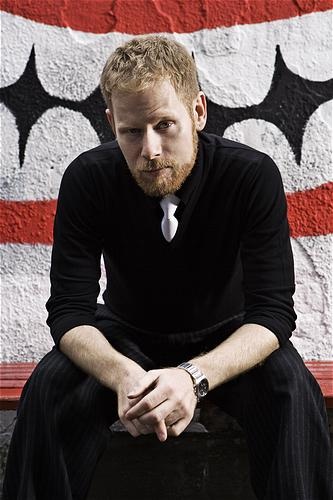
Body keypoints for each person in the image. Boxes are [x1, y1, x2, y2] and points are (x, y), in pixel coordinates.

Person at [3, 35, 332, 500]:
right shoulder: (88, 177)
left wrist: (192, 377)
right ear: (111, 123)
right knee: (50, 388)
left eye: (165, 125)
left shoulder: (251, 175)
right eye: (132, 132)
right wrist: (123, 376)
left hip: (227, 334)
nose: (150, 149)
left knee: (292, 391)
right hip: (125, 334)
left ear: (198, 112)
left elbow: (272, 315)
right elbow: (70, 312)